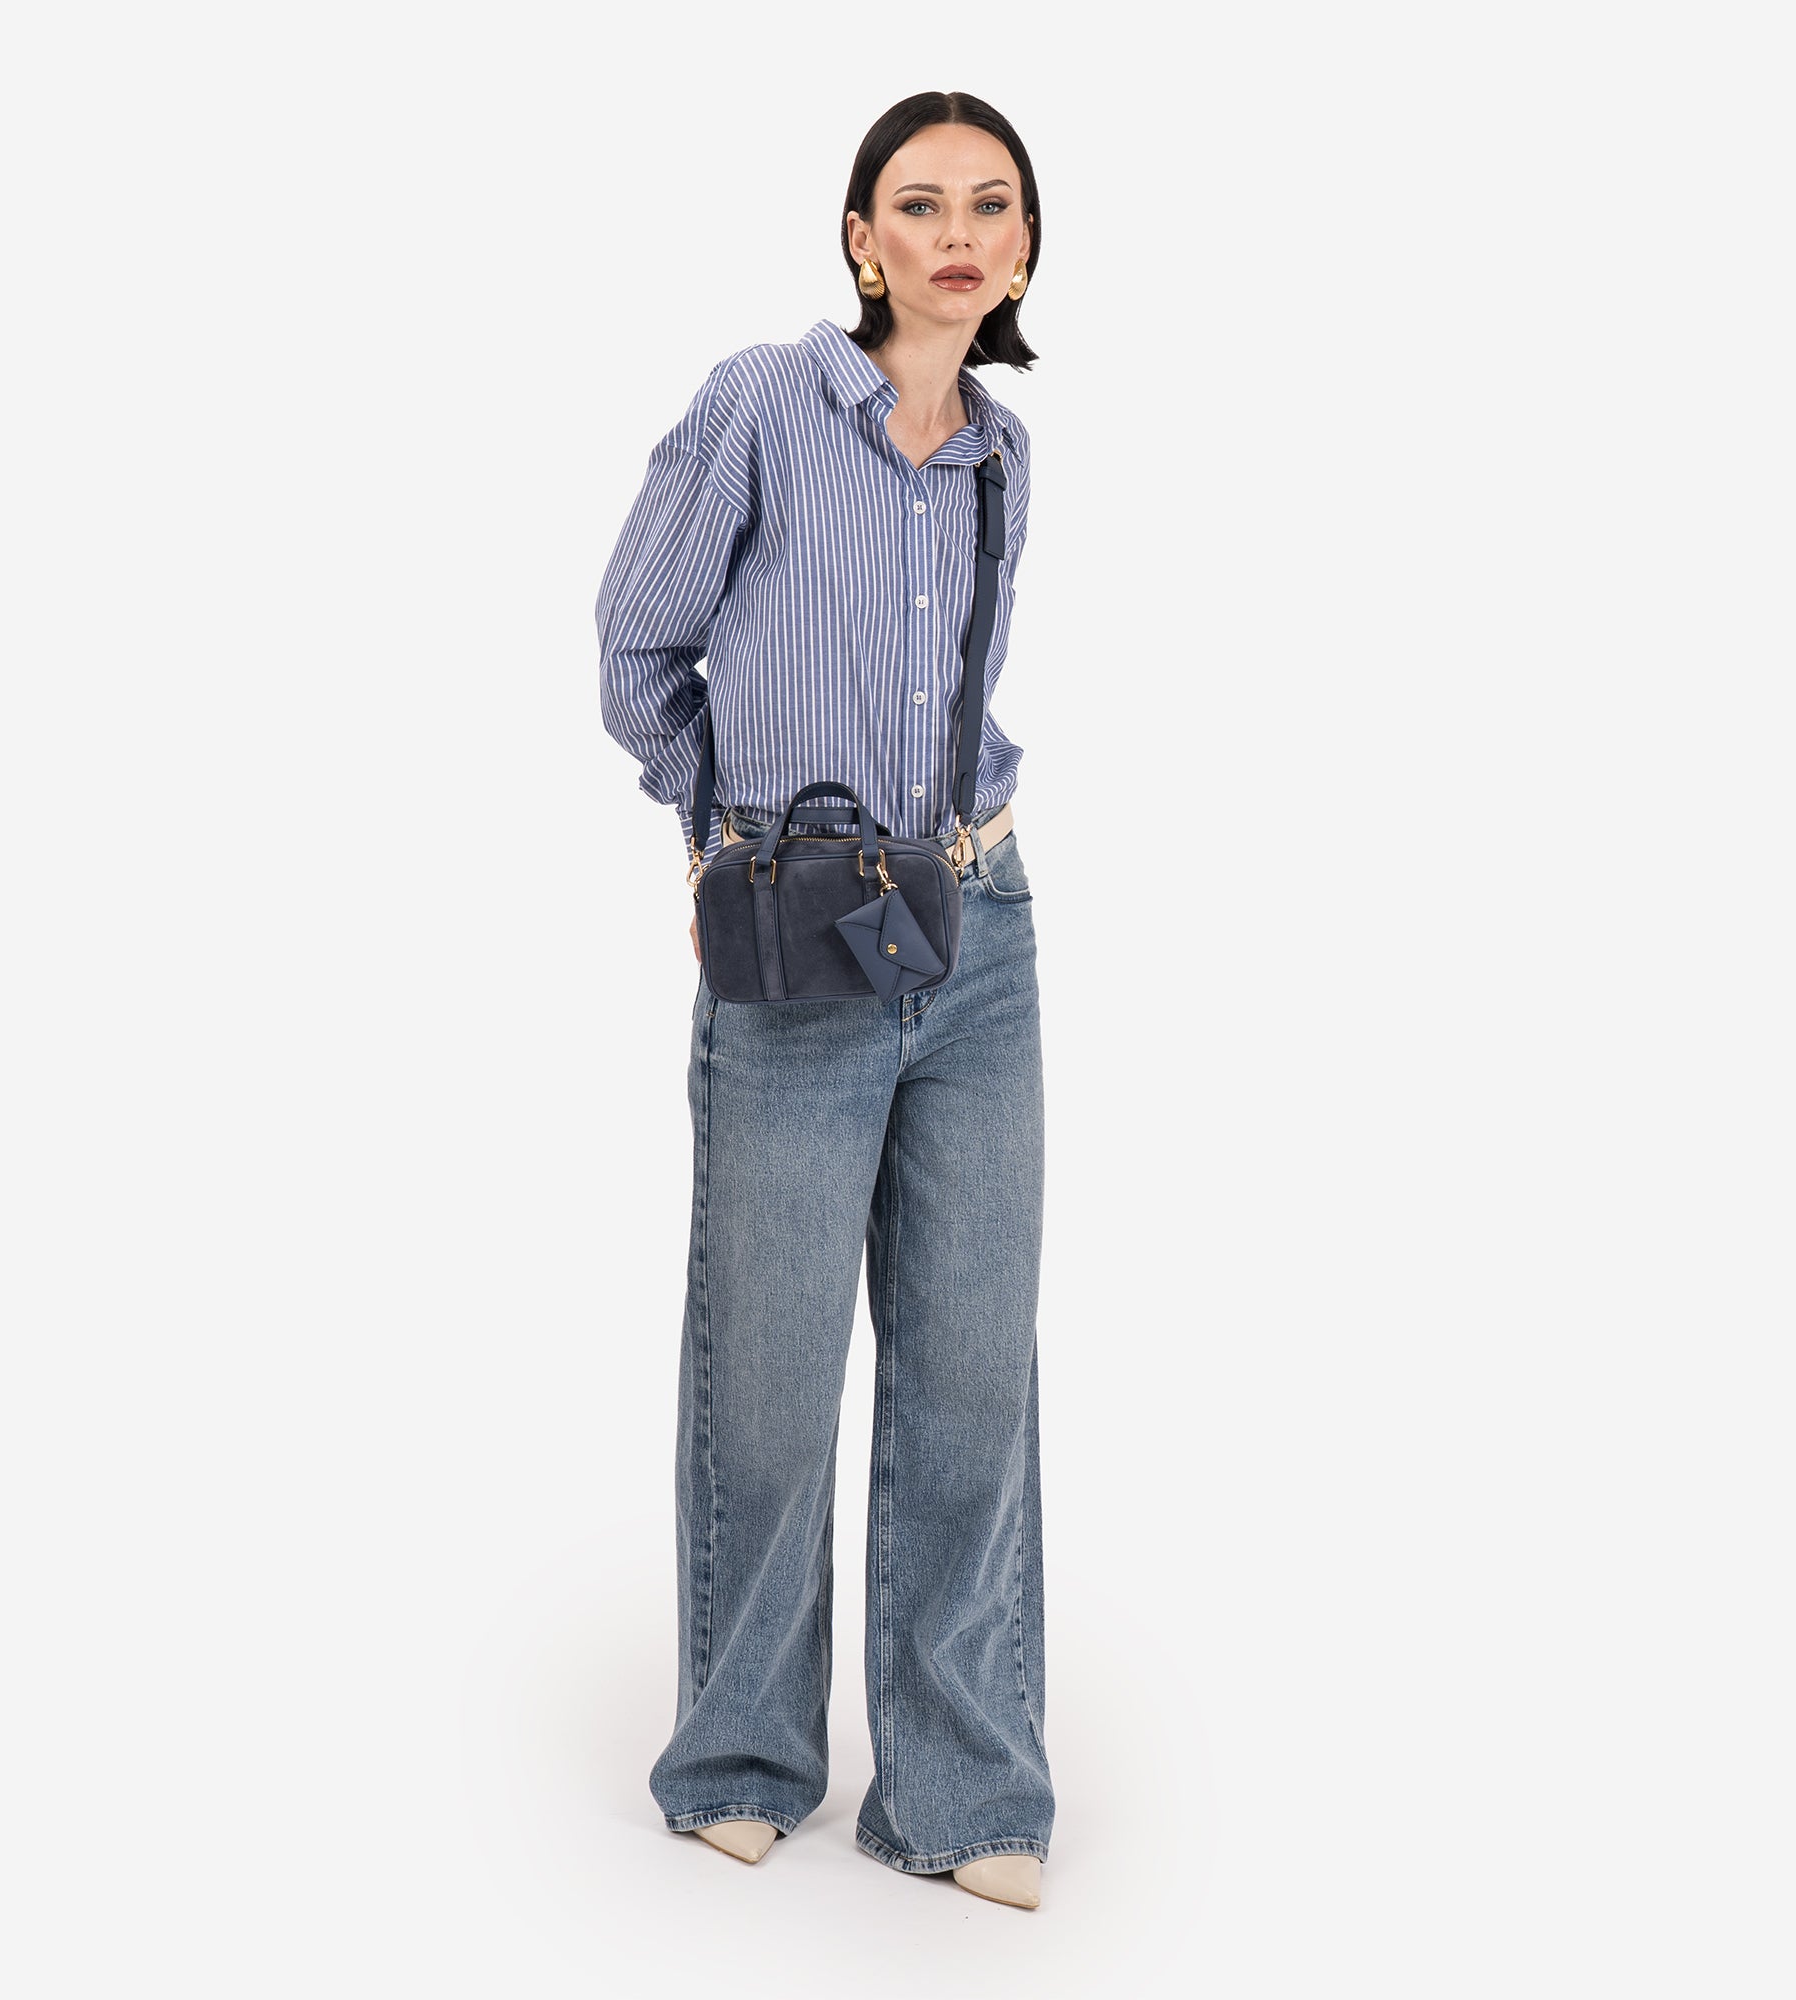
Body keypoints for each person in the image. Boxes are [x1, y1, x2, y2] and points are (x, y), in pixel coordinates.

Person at [594, 90, 1052, 1912]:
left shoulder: (1004, 453)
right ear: (862, 239)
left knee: (972, 1369)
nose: (957, 234)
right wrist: (725, 831)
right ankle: (742, 1755)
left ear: (1024, 248)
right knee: (769, 1370)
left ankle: (963, 1789)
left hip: (979, 925)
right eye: (919, 204)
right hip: (797, 937)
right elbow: (639, 644)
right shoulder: (764, 406)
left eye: (990, 206)